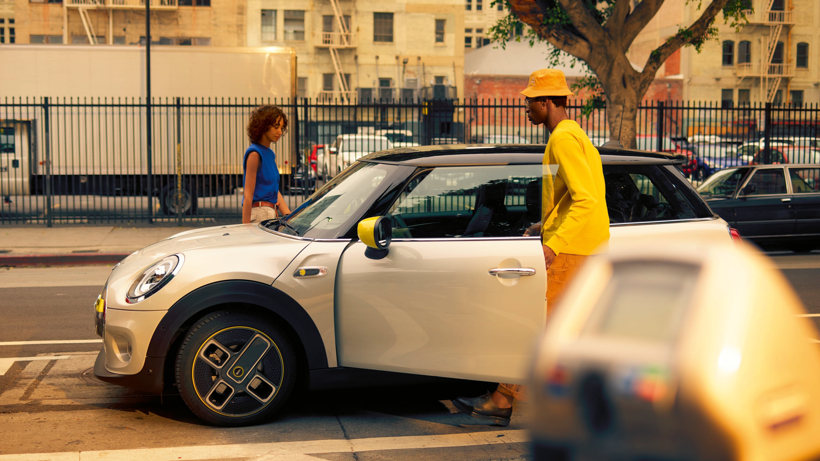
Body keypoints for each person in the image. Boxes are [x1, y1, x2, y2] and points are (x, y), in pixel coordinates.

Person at [452, 68, 610, 426]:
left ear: (545, 102)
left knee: (544, 330)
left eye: (529, 102)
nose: (525, 108)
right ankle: (521, 400)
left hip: (573, 252)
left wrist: (553, 244)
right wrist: (544, 224)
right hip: (584, 248)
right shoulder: (572, 134)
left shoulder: (564, 139)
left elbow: (586, 199)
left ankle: (504, 399)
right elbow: (579, 197)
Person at [242, 105, 292, 224]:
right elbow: (248, 194)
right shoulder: (254, 153)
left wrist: (289, 216)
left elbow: (274, 189)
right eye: (276, 127)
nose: (280, 132)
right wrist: (245, 226)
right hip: (259, 214)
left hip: (270, 213)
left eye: (281, 127)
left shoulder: (269, 154)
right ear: (263, 126)